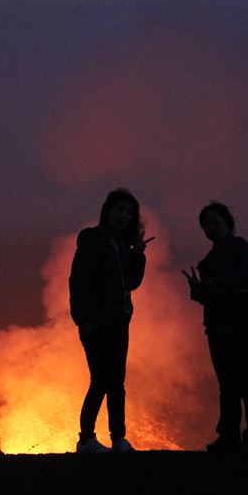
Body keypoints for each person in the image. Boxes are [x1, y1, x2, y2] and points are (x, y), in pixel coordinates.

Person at [69, 188, 153, 454]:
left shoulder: (122, 245)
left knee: (116, 381)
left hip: (119, 321)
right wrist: (82, 319)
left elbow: (132, 283)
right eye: (119, 210)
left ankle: (118, 438)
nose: (124, 216)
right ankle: (86, 440)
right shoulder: (92, 239)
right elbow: (78, 280)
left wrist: (138, 253)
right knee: (101, 379)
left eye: (129, 212)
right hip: (96, 323)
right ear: (107, 211)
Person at [182, 202, 248, 453]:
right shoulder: (209, 258)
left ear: (228, 223)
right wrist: (198, 292)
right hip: (218, 329)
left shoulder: (240, 247)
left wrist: (213, 284)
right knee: (228, 385)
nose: (210, 228)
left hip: (243, 327)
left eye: (215, 222)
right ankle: (229, 438)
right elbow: (209, 297)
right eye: (206, 225)